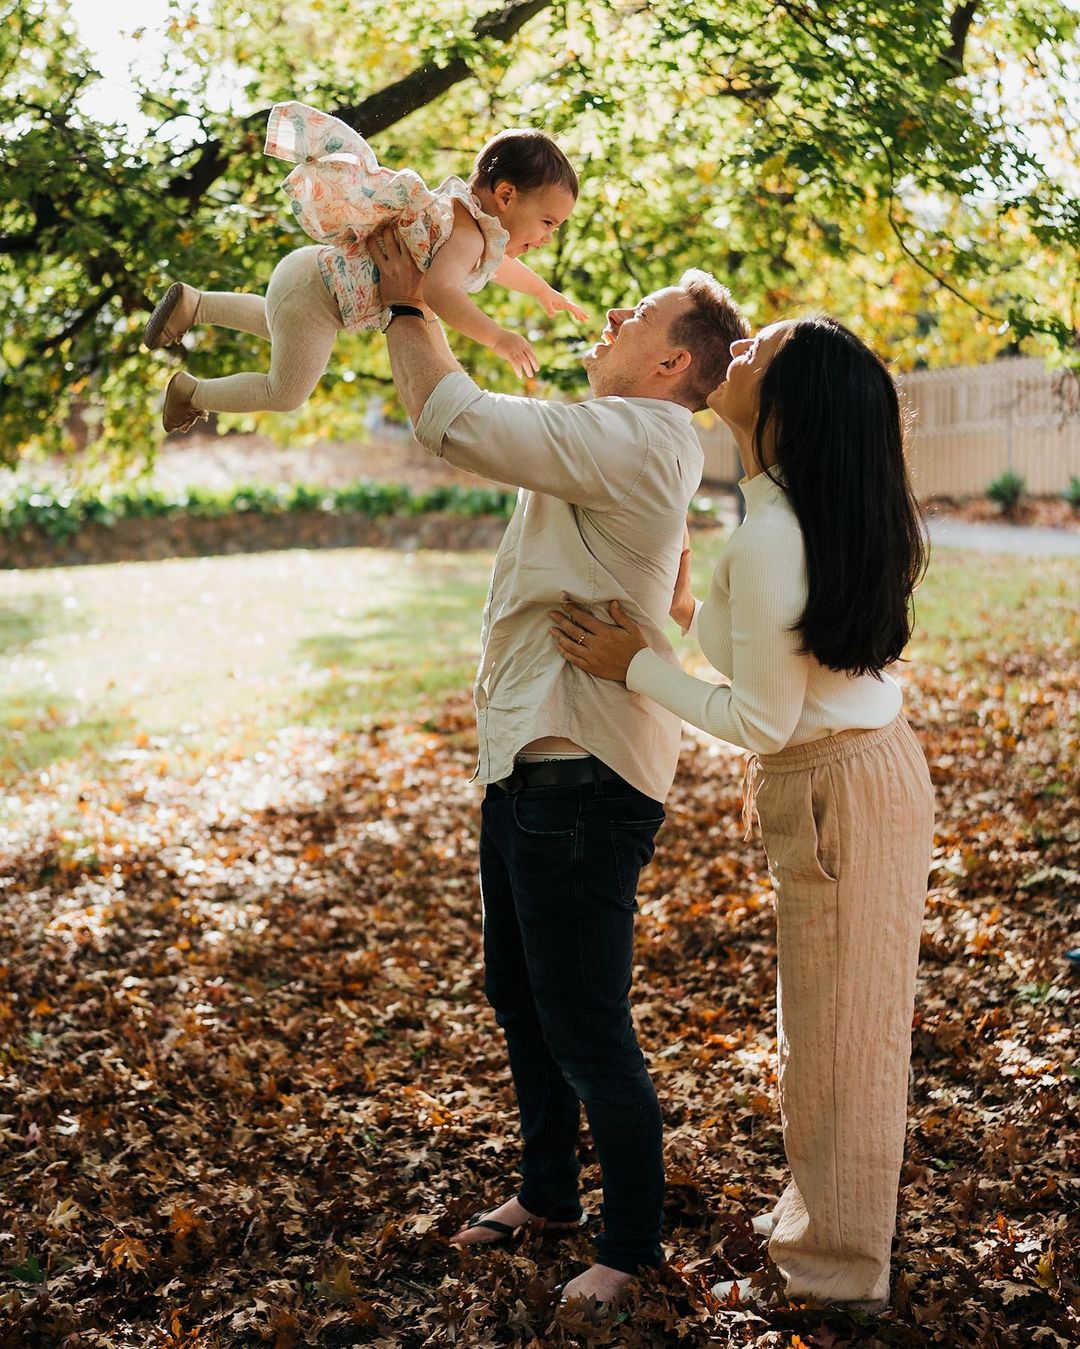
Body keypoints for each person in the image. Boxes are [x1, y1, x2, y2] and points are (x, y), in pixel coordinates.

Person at [367, 221, 749, 1305]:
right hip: (536, 757)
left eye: (640, 316)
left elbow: (455, 421)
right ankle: (548, 1190)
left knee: (581, 1012)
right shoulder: (625, 432)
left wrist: (409, 302)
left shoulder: (635, 434)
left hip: (581, 772)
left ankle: (631, 1246)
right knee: (520, 991)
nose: (615, 318)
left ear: (672, 363)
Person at [550, 316, 935, 1313]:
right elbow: (767, 660)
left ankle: (841, 1273)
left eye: (760, 350)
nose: (740, 349)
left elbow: (760, 717)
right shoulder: (785, 510)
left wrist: (634, 665)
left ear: (785, 404)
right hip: (849, 780)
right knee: (821, 1024)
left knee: (845, 1038)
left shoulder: (777, 530)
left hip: (837, 786)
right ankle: (822, 1221)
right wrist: (679, 621)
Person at [143, 104, 586, 432]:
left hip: (307, 274)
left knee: (277, 322)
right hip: (321, 300)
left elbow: (502, 269)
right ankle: (191, 392)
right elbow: (440, 293)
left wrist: (542, 291)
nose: (548, 236)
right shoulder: (468, 235)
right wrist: (498, 338)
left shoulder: (464, 220)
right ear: (506, 196)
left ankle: (197, 305)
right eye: (548, 222)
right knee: (285, 393)